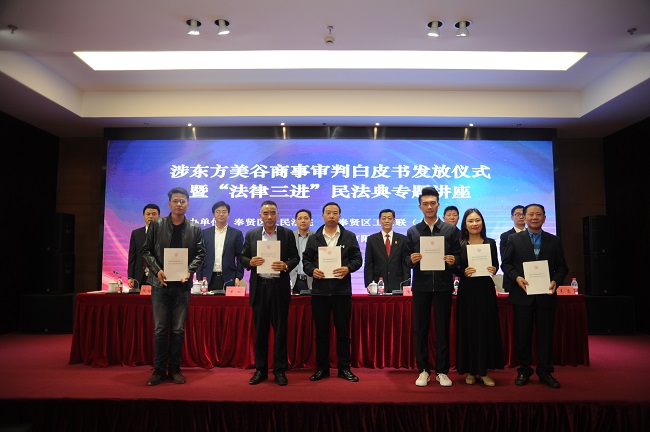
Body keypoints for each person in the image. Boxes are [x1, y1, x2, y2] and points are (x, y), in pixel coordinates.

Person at [141, 187, 206, 386]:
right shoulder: (157, 225)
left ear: (188, 204)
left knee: (178, 330)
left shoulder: (194, 228)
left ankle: (175, 369)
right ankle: (159, 370)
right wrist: (157, 270)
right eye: (176, 201)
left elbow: (201, 254)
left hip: (182, 286)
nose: (179, 204)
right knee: (160, 329)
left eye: (183, 201)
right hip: (160, 284)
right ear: (169, 203)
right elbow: (146, 251)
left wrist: (190, 271)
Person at [501, 203, 568, 389]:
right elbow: (506, 264)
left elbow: (562, 267)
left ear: (545, 218)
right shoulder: (514, 239)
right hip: (522, 295)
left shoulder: (554, 241)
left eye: (538, 214)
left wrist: (556, 280)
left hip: (546, 295)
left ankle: (545, 371)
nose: (534, 217)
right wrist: (517, 278)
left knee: (546, 336)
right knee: (522, 335)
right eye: (530, 214)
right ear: (524, 217)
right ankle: (524, 370)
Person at [405, 187, 460, 388]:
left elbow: (459, 256)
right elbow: (405, 260)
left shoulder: (450, 230)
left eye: (433, 203)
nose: (429, 206)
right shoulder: (413, 231)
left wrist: (454, 260)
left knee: (443, 330)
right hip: (421, 287)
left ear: (438, 205)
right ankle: (423, 370)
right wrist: (411, 260)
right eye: (425, 203)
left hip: (444, 286)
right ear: (420, 206)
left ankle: (442, 371)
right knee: (421, 329)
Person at [240, 200, 299, 387]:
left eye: (273, 213)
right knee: (260, 332)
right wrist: (250, 262)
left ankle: (280, 370)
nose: (269, 216)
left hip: (279, 287)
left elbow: (295, 257)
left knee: (280, 331)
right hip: (260, 288)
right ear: (260, 216)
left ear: (278, 215)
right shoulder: (252, 234)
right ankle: (261, 370)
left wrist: (286, 265)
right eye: (266, 213)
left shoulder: (287, 234)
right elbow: (242, 257)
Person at [302, 202, 363, 383]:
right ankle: (322, 368)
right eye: (328, 213)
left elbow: (358, 259)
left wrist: (348, 268)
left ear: (339, 216)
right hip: (320, 292)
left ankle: (344, 368)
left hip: (341, 292)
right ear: (322, 216)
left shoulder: (349, 236)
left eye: (335, 213)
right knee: (321, 333)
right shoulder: (314, 238)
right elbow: (306, 261)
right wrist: (312, 270)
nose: (331, 216)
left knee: (343, 333)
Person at [455, 208, 504, 387]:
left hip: (485, 291)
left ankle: (484, 371)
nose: (474, 224)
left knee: (486, 329)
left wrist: (493, 269)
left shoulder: (490, 243)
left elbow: (495, 265)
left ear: (482, 222)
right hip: (467, 290)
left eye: (477, 220)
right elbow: (454, 267)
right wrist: (462, 272)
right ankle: (471, 370)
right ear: (465, 224)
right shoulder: (459, 243)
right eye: (470, 221)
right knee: (469, 329)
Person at [196, 201, 244, 291]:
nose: (221, 214)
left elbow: (240, 257)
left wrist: (238, 277)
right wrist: (199, 278)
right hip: (208, 278)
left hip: (229, 278)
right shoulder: (205, 233)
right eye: (218, 212)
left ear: (228, 214)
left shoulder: (236, 234)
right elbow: (200, 255)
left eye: (224, 212)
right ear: (213, 215)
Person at [363, 208, 410, 293]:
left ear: (394, 221)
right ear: (379, 221)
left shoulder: (402, 239)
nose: (386, 221)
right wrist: (369, 283)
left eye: (389, 218)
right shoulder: (372, 239)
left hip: (398, 284)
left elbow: (405, 265)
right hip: (377, 283)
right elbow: (369, 264)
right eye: (384, 218)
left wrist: (406, 284)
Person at [127, 203, 160, 290]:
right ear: (144, 216)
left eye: (154, 214)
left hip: (158, 276)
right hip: (139, 276)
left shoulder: (164, 234)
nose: (151, 216)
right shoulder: (136, 233)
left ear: (159, 216)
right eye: (148, 214)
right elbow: (132, 256)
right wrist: (130, 277)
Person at [498, 205, 526, 292]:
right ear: (512, 217)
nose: (521, 217)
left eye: (523, 214)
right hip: (512, 280)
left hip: (531, 279)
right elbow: (505, 260)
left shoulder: (533, 235)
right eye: (517, 214)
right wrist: (516, 276)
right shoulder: (506, 236)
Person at [290, 209, 315, 295]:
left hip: (312, 280)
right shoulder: (290, 237)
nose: (303, 221)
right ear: (295, 221)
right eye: (300, 218)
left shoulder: (316, 237)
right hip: (294, 280)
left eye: (306, 218)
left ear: (310, 220)